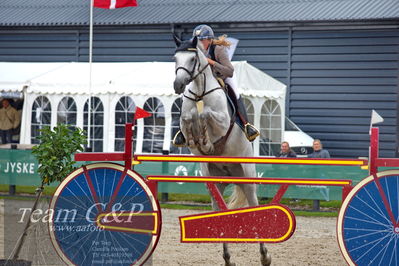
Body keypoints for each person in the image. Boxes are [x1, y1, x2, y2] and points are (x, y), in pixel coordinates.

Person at [173, 24, 259, 146]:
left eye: (202, 40)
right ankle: (181, 131)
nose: (200, 43)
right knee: (185, 96)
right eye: (198, 40)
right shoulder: (194, 50)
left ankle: (246, 125)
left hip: (222, 77)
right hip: (202, 81)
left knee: (235, 93)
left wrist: (211, 62)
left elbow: (229, 71)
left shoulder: (218, 49)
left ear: (209, 40)